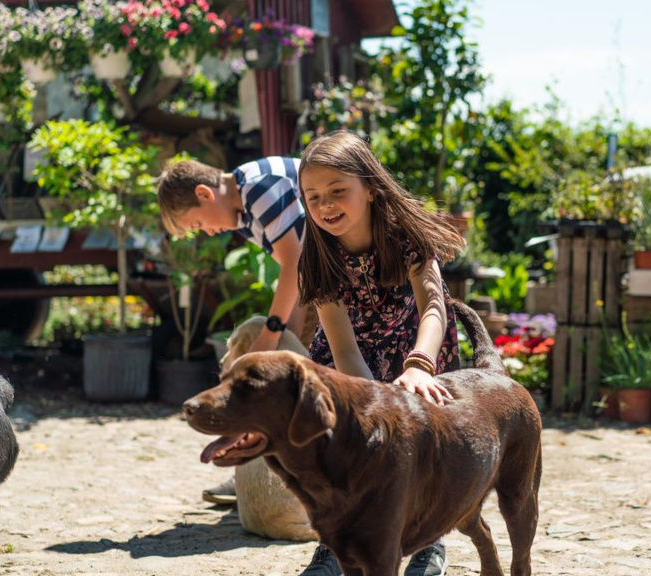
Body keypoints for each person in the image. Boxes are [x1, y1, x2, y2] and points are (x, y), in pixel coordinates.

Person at [295, 131, 465, 576]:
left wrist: (418, 366)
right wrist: (370, 403)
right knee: (340, 443)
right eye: (313, 197)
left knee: (429, 443)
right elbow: (343, 345)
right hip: (351, 357)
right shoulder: (317, 255)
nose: (325, 205)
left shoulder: (405, 237)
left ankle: (430, 542)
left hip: (417, 347)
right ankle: (334, 545)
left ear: (370, 188)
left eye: (337, 191)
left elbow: (433, 306)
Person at [157, 156, 309, 504]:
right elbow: (302, 277)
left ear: (205, 194)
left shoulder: (259, 188)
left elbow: (297, 265)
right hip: (321, 286)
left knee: (260, 357)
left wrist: (271, 336)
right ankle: (253, 473)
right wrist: (289, 340)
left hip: (354, 284)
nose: (208, 232)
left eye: (198, 224)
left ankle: (275, 479)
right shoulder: (242, 211)